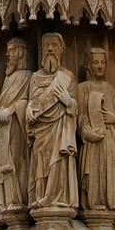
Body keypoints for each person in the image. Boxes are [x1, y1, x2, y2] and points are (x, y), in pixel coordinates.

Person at [26, 32, 79, 212]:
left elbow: (75, 109)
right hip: (40, 130)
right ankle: (41, 198)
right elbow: (32, 102)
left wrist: (69, 102)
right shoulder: (35, 78)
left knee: (58, 161)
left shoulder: (67, 76)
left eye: (54, 45)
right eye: (46, 45)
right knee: (39, 164)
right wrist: (28, 110)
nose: (50, 49)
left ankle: (58, 199)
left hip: (60, 128)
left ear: (62, 49)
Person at [0, 37, 32, 214]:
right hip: (2, 128)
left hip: (16, 127)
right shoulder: (8, 79)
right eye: (6, 51)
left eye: (11, 50)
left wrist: (12, 109)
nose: (7, 55)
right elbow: (1, 104)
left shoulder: (27, 76)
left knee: (16, 162)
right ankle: (5, 202)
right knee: (2, 167)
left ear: (20, 52)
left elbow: (29, 102)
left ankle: (17, 200)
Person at [78, 47, 115, 214]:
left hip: (110, 137)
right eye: (95, 62)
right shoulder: (83, 88)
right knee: (94, 170)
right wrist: (85, 132)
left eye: (102, 62)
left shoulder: (111, 89)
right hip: (93, 139)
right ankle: (95, 202)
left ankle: (109, 202)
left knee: (110, 169)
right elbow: (80, 116)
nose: (99, 66)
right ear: (88, 65)